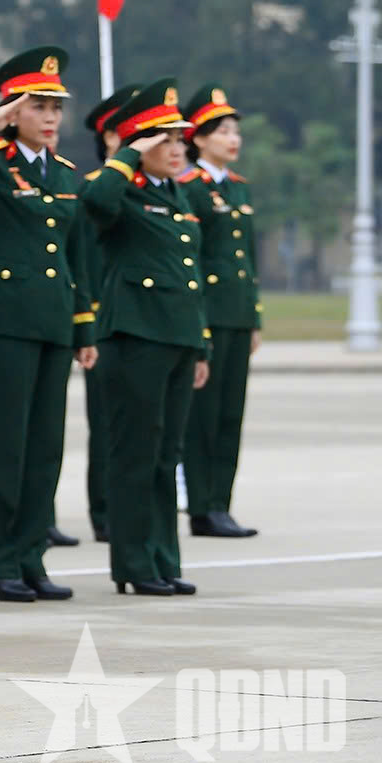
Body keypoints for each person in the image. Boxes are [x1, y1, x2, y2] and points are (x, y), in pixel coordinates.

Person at [0, 51, 95, 601]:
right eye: (38, 107)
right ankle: (0, 563)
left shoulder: (66, 174)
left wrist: (83, 328)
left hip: (53, 322)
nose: (51, 117)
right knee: (6, 446)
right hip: (3, 322)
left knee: (44, 449)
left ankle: (32, 558)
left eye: (56, 108)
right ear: (14, 112)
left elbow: (76, 256)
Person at [82, 79, 209, 596]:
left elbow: (190, 276)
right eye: (166, 140)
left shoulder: (176, 194)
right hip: (135, 337)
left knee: (165, 456)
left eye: (180, 140)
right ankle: (133, 564)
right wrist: (129, 153)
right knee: (135, 453)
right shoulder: (122, 191)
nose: (178, 149)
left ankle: (163, 559)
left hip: (177, 338)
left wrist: (200, 345)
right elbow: (94, 201)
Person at [181, 85, 261, 540]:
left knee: (231, 414)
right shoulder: (191, 189)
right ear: (198, 138)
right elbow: (190, 259)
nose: (234, 139)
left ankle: (221, 504)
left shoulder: (239, 188)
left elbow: (248, 257)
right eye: (223, 131)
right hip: (208, 315)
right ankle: (201, 506)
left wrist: (255, 318)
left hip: (237, 314)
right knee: (204, 416)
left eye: (235, 131)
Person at [78, 84, 137, 544]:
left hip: (144, 321)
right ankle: (105, 509)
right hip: (103, 320)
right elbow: (85, 261)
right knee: (107, 424)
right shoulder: (96, 190)